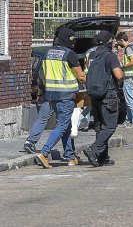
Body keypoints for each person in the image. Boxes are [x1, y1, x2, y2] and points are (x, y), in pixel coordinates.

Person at [35, 28, 86, 168]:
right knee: (62, 125)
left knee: (66, 125)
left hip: (51, 96)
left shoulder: (47, 53)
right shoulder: (70, 54)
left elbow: (42, 75)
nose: (74, 43)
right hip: (66, 96)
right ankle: (45, 153)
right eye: (72, 40)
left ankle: (70, 156)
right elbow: (81, 76)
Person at [83, 31, 124, 167]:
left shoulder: (92, 55)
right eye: (112, 41)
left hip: (94, 94)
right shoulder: (110, 55)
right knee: (110, 127)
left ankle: (102, 158)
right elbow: (118, 76)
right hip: (108, 94)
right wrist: (123, 73)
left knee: (100, 127)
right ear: (108, 42)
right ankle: (94, 150)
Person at [115, 31, 133, 128]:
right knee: (129, 100)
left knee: (130, 101)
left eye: (118, 42)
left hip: (130, 77)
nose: (118, 44)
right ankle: (128, 121)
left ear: (121, 40)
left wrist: (123, 66)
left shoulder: (128, 49)